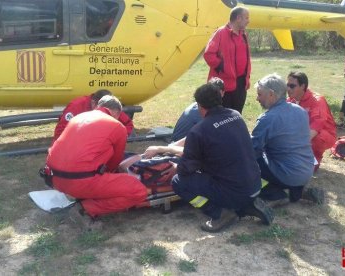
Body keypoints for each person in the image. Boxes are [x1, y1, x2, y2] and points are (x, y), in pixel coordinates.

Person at [169, 83, 273, 233]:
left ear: (199, 105)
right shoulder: (236, 116)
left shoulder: (198, 131)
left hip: (233, 190)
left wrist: (176, 167)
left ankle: (220, 213)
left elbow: (186, 169)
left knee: (178, 181)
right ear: (220, 98)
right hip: (255, 184)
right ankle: (246, 205)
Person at [46, 95, 147, 225]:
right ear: (116, 112)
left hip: (53, 178)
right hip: (78, 182)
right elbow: (114, 163)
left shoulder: (78, 118)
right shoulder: (117, 126)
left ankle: (83, 195)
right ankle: (85, 209)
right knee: (138, 191)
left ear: (98, 106)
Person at [251, 73, 324, 205]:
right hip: (307, 170)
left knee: (247, 163)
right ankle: (297, 192)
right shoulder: (300, 110)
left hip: (287, 174)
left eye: (260, 94)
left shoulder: (268, 118)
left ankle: (275, 195)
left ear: (271, 94)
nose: (257, 98)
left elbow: (252, 150)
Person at [203, 6, 251, 114]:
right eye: (246, 18)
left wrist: (246, 77)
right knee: (222, 116)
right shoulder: (220, 33)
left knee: (236, 115)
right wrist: (223, 67)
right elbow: (208, 54)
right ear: (238, 18)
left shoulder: (243, 34)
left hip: (240, 84)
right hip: (224, 85)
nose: (249, 21)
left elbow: (246, 58)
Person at [286, 71, 336, 170]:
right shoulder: (290, 101)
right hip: (305, 132)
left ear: (302, 86)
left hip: (324, 134)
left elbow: (316, 127)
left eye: (292, 86)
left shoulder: (317, 101)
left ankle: (313, 161)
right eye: (287, 85)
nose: (288, 89)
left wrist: (296, 144)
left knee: (315, 138)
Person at [52, 90, 134, 143]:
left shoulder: (110, 107)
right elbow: (61, 131)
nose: (104, 113)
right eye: (103, 109)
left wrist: (116, 138)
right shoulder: (76, 106)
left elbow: (127, 124)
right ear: (93, 102)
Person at [171, 77, 225, 142]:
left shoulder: (203, 104)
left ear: (223, 92)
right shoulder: (203, 109)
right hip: (180, 144)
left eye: (215, 92)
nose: (213, 94)